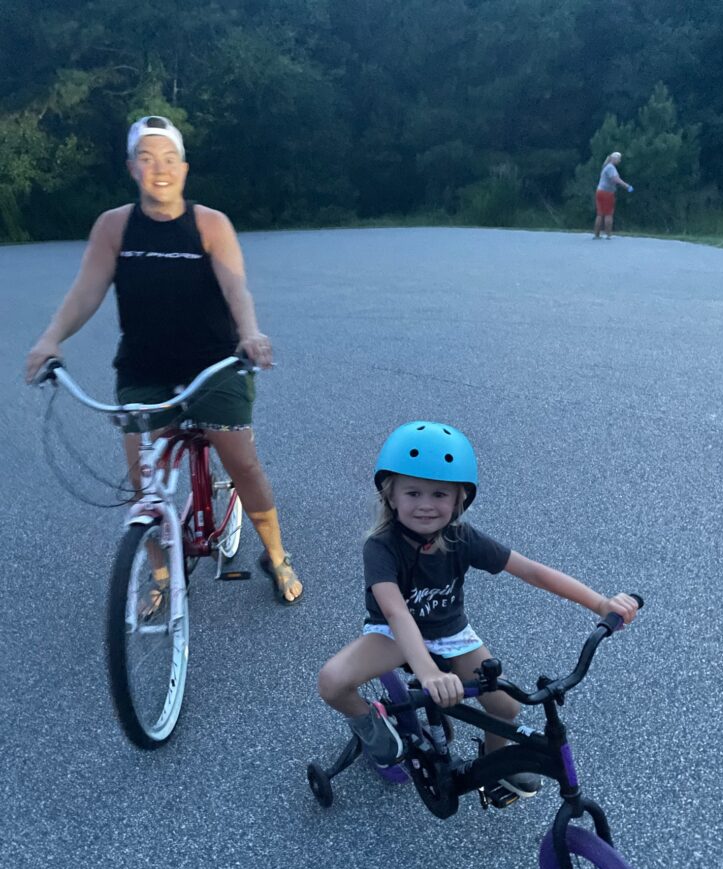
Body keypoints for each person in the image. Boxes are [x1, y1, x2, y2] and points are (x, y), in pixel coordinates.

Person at [25, 114, 302, 604]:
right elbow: (87, 291)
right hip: (144, 367)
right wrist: (51, 338)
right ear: (132, 168)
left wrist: (250, 333)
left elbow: (236, 286)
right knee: (143, 480)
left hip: (214, 363)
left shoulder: (209, 224)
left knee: (242, 463)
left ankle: (276, 555)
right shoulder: (114, 227)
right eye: (148, 159)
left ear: (184, 169)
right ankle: (159, 574)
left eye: (169, 159)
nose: (160, 168)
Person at [317, 421, 638, 796]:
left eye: (439, 494)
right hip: (395, 635)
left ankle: (491, 761)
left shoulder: (461, 537)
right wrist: (428, 673)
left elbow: (531, 571)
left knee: (505, 709)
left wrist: (599, 602)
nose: (425, 504)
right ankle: (373, 728)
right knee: (332, 682)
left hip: (450, 633)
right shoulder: (381, 546)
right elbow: (396, 613)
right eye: (413, 492)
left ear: (459, 501)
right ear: (390, 496)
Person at [594, 151, 633, 239]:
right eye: (619, 159)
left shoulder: (606, 167)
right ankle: (608, 235)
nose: (619, 161)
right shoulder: (611, 168)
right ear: (614, 159)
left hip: (599, 191)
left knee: (600, 214)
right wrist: (627, 186)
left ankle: (597, 235)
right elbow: (616, 179)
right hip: (607, 193)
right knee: (608, 214)